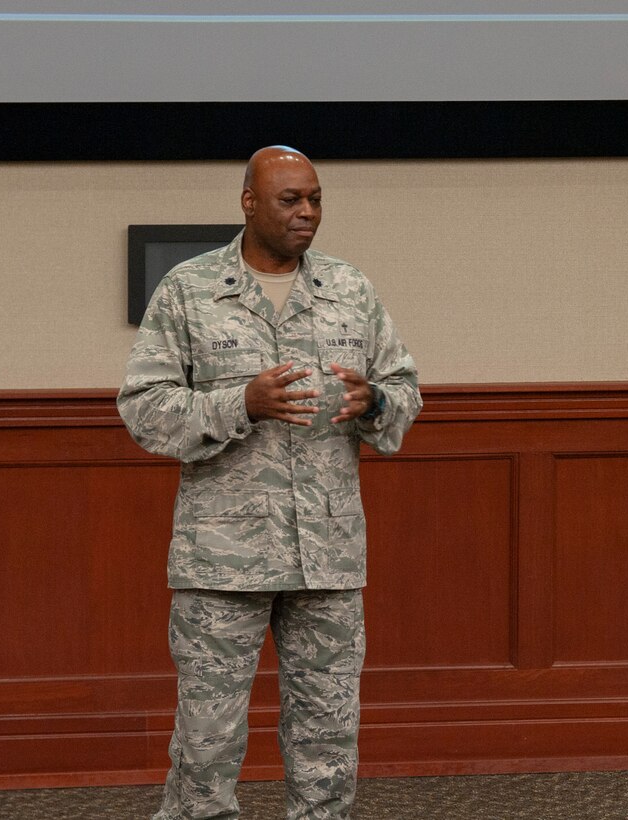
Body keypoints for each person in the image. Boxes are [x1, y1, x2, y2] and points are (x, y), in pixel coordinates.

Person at [118, 146, 422, 819]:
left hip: (327, 556)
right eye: (290, 200)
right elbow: (144, 410)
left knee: (327, 737)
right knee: (207, 741)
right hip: (223, 559)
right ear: (249, 203)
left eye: (315, 199)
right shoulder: (190, 290)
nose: (306, 212)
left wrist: (375, 401)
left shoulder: (349, 288)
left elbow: (405, 389)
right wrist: (241, 404)